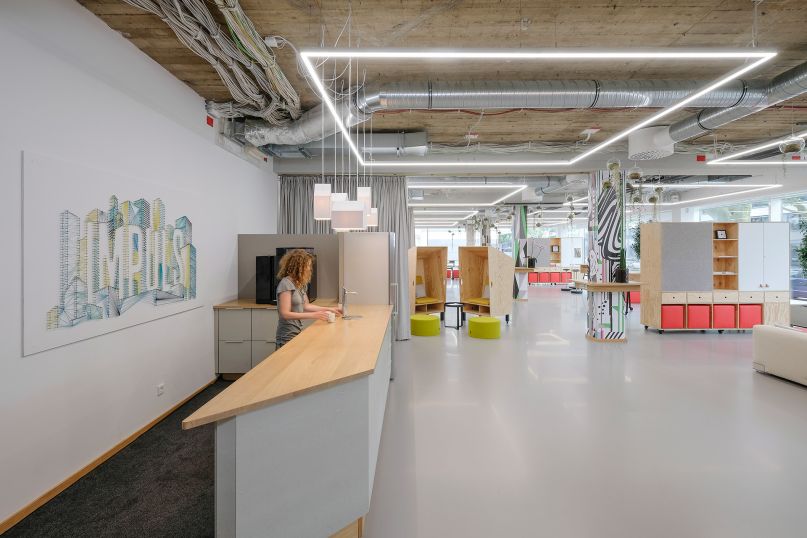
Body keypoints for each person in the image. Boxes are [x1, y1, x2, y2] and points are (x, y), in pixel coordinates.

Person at [275, 249, 342, 348]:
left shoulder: (300, 284)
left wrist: (329, 309)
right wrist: (314, 315)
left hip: (297, 333)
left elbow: (306, 306)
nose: (309, 269)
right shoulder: (286, 284)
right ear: (298, 266)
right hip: (286, 337)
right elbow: (285, 314)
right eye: (307, 265)